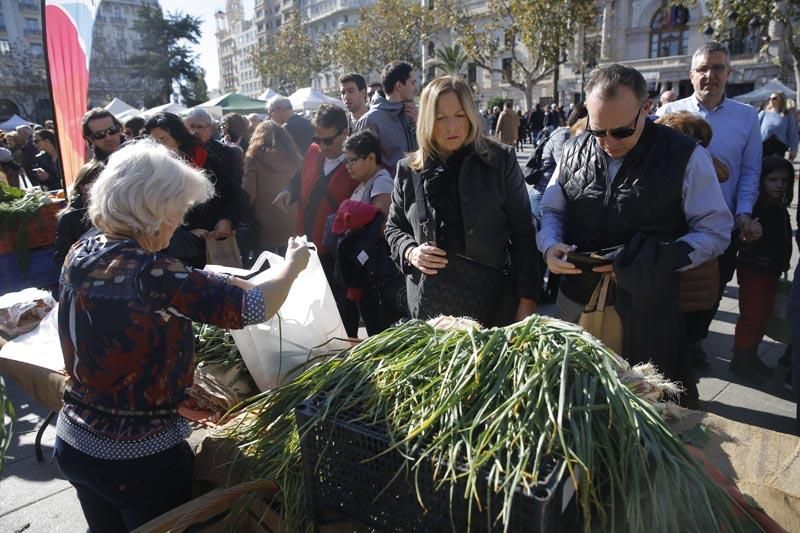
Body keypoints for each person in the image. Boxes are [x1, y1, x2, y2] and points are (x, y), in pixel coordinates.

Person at [53, 139, 309, 532]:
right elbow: (254, 308)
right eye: (176, 213)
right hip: (136, 459)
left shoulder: (82, 251)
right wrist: (292, 268)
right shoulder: (153, 273)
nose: (179, 225)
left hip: (75, 438)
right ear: (153, 211)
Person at [537, 64, 732, 406]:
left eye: (622, 131)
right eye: (598, 131)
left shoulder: (686, 157)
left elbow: (715, 230)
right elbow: (553, 210)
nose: (608, 142)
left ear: (647, 109)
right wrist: (550, 245)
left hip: (646, 311)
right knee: (572, 403)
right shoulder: (571, 149)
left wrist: (661, 257)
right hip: (574, 300)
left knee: (642, 412)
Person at [385, 75, 540, 327]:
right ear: (426, 120)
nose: (452, 127)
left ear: (471, 114)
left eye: (459, 115)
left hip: (491, 306)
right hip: (431, 312)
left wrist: (528, 299)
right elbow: (393, 228)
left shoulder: (500, 160)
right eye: (440, 118)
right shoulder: (408, 169)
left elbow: (523, 233)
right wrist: (410, 251)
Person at [658, 42, 763, 369]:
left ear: (729, 73)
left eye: (718, 68)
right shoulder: (667, 114)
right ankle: (674, 345)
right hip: (673, 225)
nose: (710, 75)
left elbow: (750, 171)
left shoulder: (746, 117)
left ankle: (695, 341)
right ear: (691, 75)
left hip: (723, 227)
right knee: (670, 291)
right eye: (703, 68)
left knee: (710, 291)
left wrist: (743, 212)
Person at [144, 112, 243, 268]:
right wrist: (183, 234)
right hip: (170, 252)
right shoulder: (148, 171)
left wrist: (227, 219)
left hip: (210, 249)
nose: (159, 147)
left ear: (178, 138)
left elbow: (236, 196)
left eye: (164, 140)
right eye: (154, 142)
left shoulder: (207, 161)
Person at [331, 129, 406, 335]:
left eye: (352, 161)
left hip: (375, 272)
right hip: (364, 270)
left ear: (371, 158)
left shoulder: (381, 181)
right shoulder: (364, 184)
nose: (347, 166)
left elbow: (382, 225)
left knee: (377, 328)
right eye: (346, 162)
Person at [272, 104, 358, 279]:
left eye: (327, 140)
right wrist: (288, 191)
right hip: (303, 246)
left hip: (334, 255)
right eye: (318, 139)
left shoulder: (356, 163)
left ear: (344, 133)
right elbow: (298, 179)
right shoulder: (313, 150)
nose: (322, 146)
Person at [731, 156, 793, 383]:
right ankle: (741, 360)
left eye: (784, 181)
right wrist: (747, 237)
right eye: (773, 179)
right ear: (761, 181)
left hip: (771, 271)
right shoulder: (755, 207)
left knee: (764, 314)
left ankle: (751, 355)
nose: (779, 185)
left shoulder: (778, 207)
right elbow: (742, 240)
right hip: (755, 270)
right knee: (752, 315)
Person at [54, 108, 123, 265]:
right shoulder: (92, 171)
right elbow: (62, 258)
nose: (108, 137)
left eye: (112, 130)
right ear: (89, 139)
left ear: (119, 128)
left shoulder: (141, 158)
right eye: (99, 134)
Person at [243, 120, 303, 253]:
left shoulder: (253, 159)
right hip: (292, 220)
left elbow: (249, 194)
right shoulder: (295, 157)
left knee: (267, 268)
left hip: (264, 224)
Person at [355, 61, 419, 174]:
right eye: (412, 83)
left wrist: (421, 124)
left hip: (417, 187)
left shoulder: (414, 114)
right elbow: (363, 167)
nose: (416, 87)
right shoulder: (370, 120)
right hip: (389, 190)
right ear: (399, 86)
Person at [759, 91, 798, 160]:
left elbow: (792, 133)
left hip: (779, 147)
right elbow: (754, 130)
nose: (771, 100)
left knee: (776, 167)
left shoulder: (787, 115)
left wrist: (793, 150)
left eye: (774, 98)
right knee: (764, 167)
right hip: (763, 146)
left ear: (781, 100)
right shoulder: (763, 113)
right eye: (769, 98)